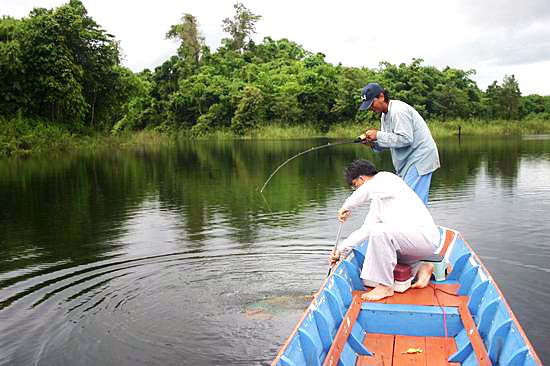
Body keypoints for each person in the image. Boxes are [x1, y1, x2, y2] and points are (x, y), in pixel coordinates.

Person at [329, 160, 439, 301]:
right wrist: (340, 249)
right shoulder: (378, 200)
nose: (356, 190)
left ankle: (385, 287)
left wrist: (346, 206)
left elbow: (366, 190)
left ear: (361, 179)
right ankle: (421, 267)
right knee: (377, 235)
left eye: (355, 185)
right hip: (414, 245)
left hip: (424, 237)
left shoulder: (386, 179)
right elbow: (366, 230)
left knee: (380, 232)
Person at [358, 83, 440, 205]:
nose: (370, 108)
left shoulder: (398, 110)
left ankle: (421, 224)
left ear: (381, 96)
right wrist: (373, 144)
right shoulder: (384, 116)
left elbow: (406, 139)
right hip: (408, 163)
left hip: (420, 159)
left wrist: (378, 135)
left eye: (371, 103)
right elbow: (391, 141)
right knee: (409, 202)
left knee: (412, 204)